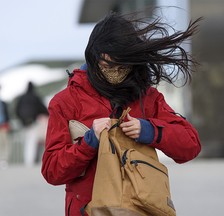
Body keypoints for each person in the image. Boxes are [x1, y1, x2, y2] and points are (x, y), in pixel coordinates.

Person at [41, 12, 202, 216]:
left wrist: (149, 130)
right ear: (93, 58)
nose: (115, 72)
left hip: (140, 209)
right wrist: (88, 143)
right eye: (107, 65)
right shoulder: (66, 102)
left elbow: (191, 145)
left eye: (123, 66)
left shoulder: (148, 97)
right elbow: (52, 172)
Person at [16, 81, 49, 166]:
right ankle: (30, 161)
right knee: (32, 141)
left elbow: (16, 110)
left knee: (26, 141)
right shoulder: (35, 97)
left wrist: (21, 120)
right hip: (33, 122)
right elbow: (42, 108)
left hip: (24, 123)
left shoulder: (22, 97)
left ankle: (27, 160)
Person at [0, 85, 10, 169]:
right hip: (3, 125)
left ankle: (3, 160)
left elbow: (6, 115)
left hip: (3, 125)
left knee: (4, 143)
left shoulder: (3, 103)